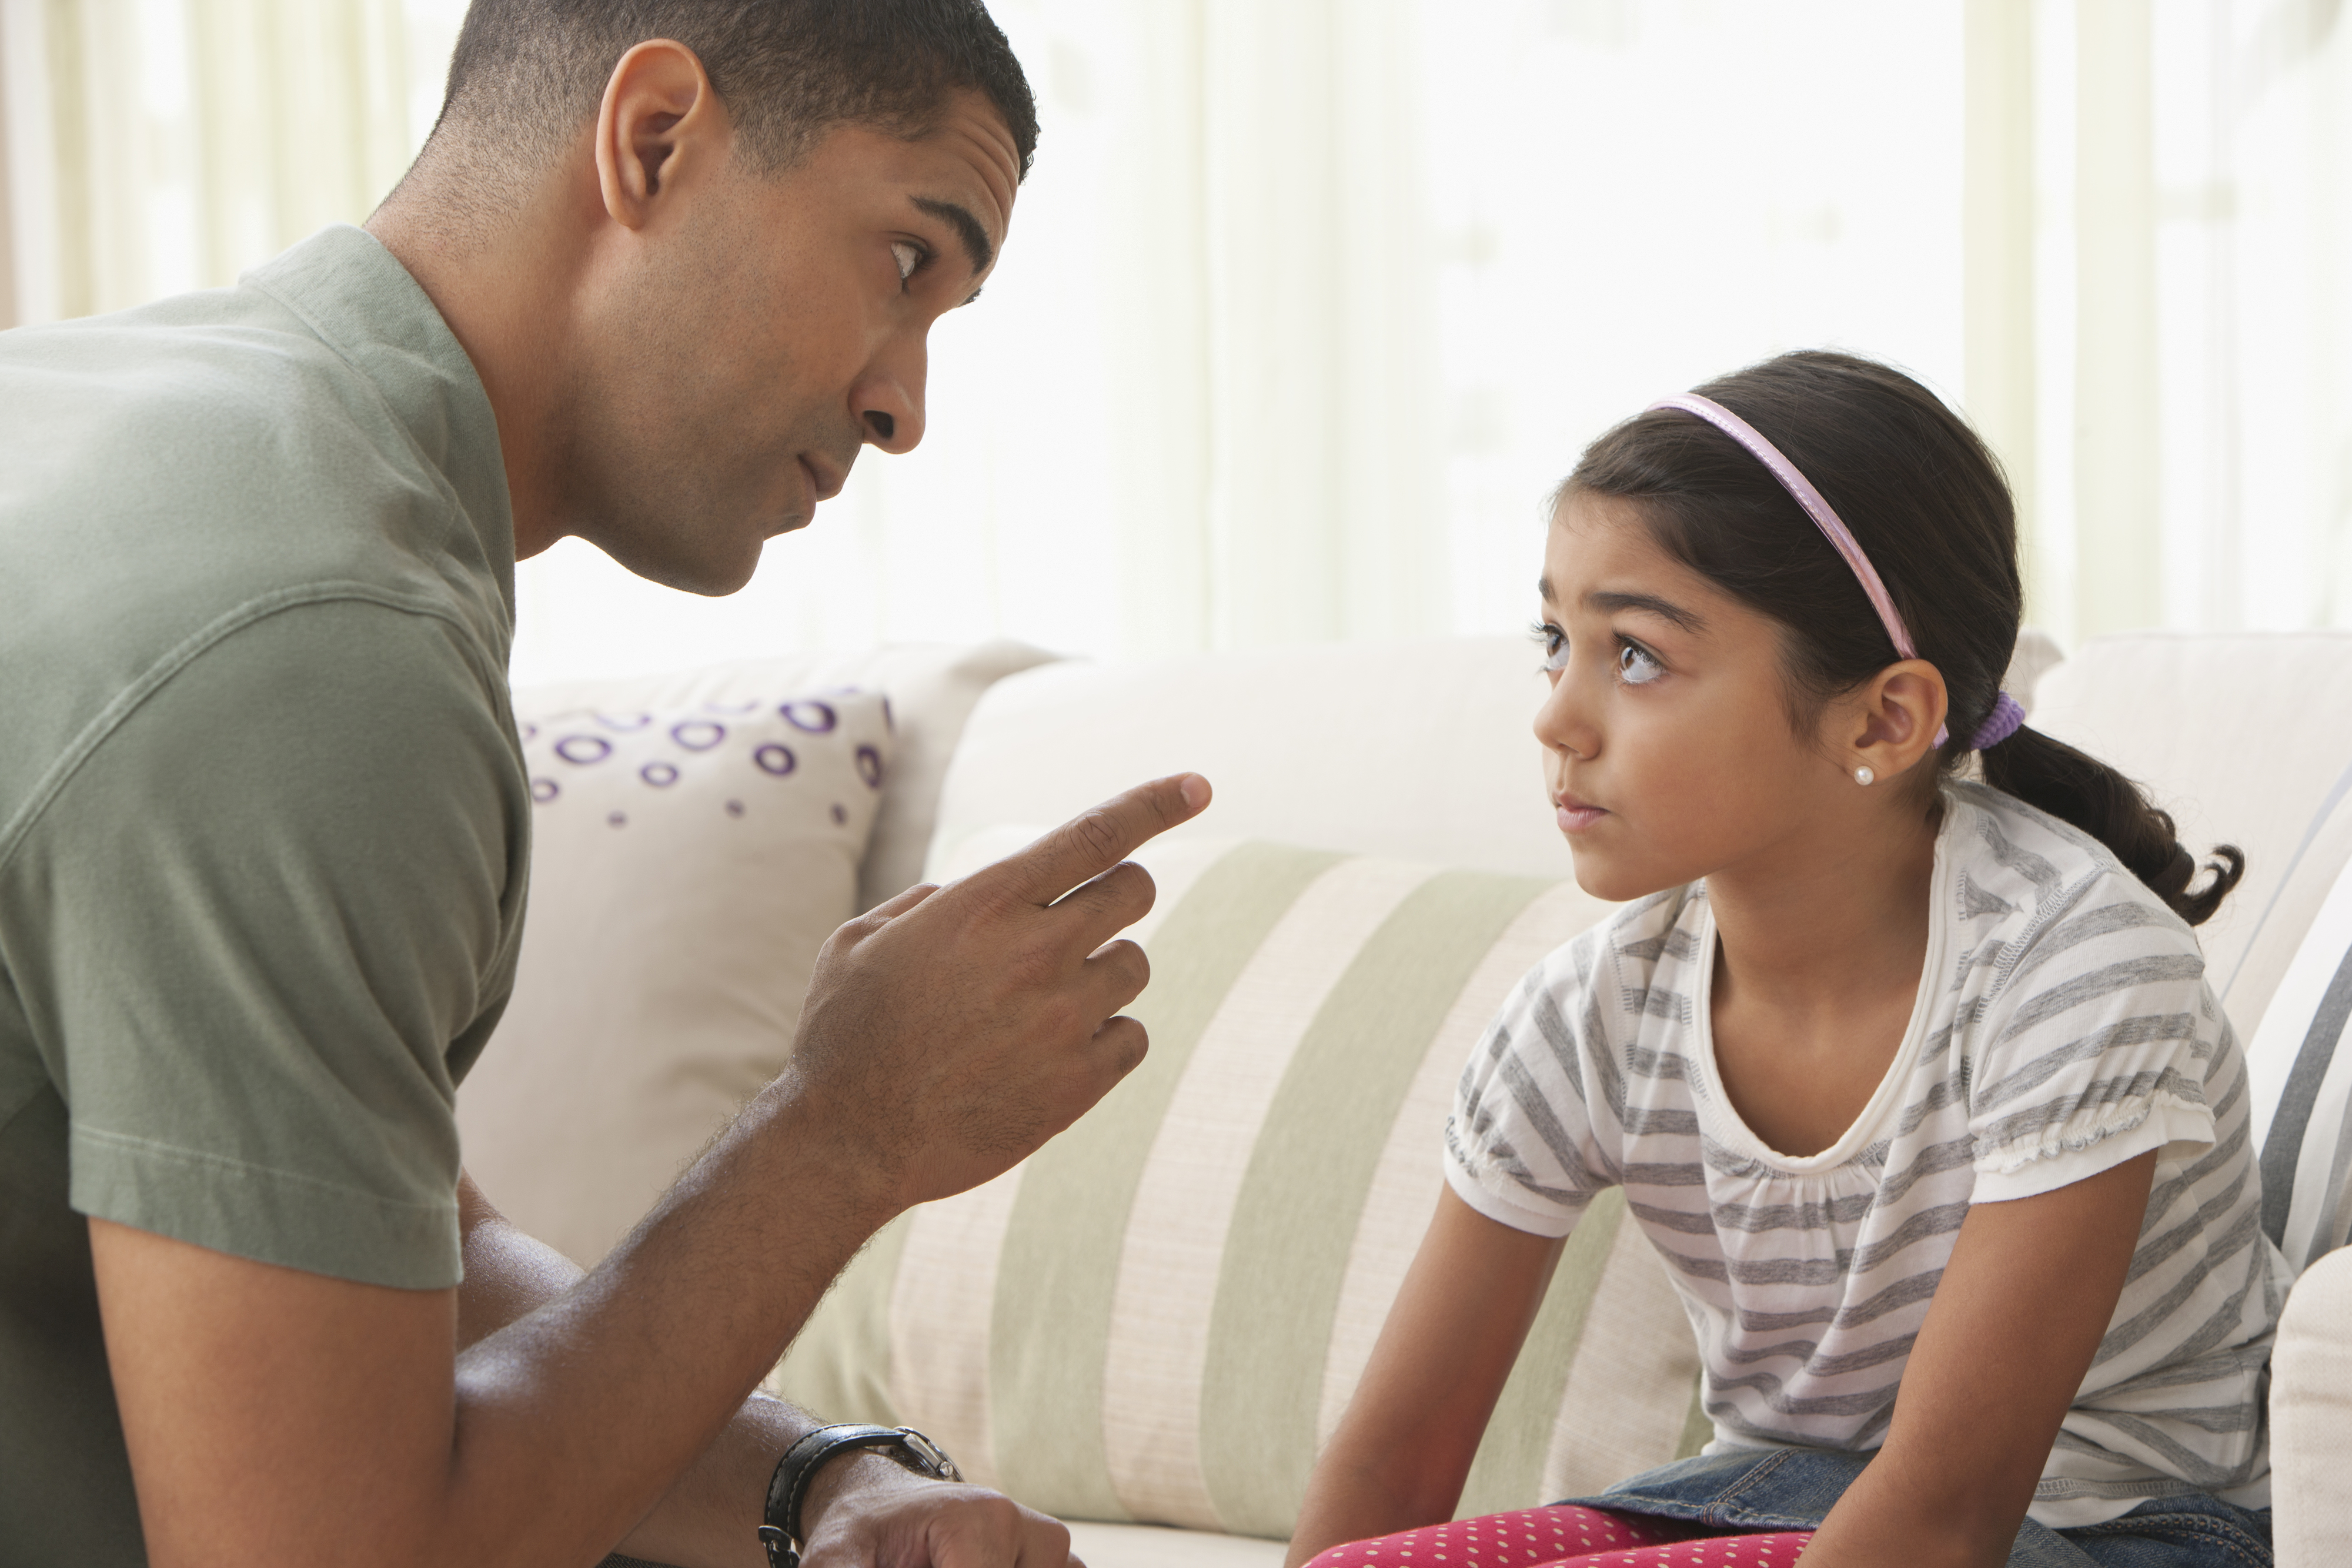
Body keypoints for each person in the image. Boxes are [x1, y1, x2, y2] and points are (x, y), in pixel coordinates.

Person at [0, 3, 1210, 1566]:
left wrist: (823, 1477)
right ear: (653, 140)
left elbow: (407, 1254)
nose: (905, 407)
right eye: (907, 259)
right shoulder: (322, 643)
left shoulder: (114, 417)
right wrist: (837, 1132)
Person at [1284, 352, 2282, 1568]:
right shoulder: (1591, 1012)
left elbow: (1945, 1512)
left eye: (1635, 654)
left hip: (2117, 1526)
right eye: (1555, 638)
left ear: (1882, 718)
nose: (1554, 716)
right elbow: (1390, 1466)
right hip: (1767, 1498)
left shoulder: (2075, 967)